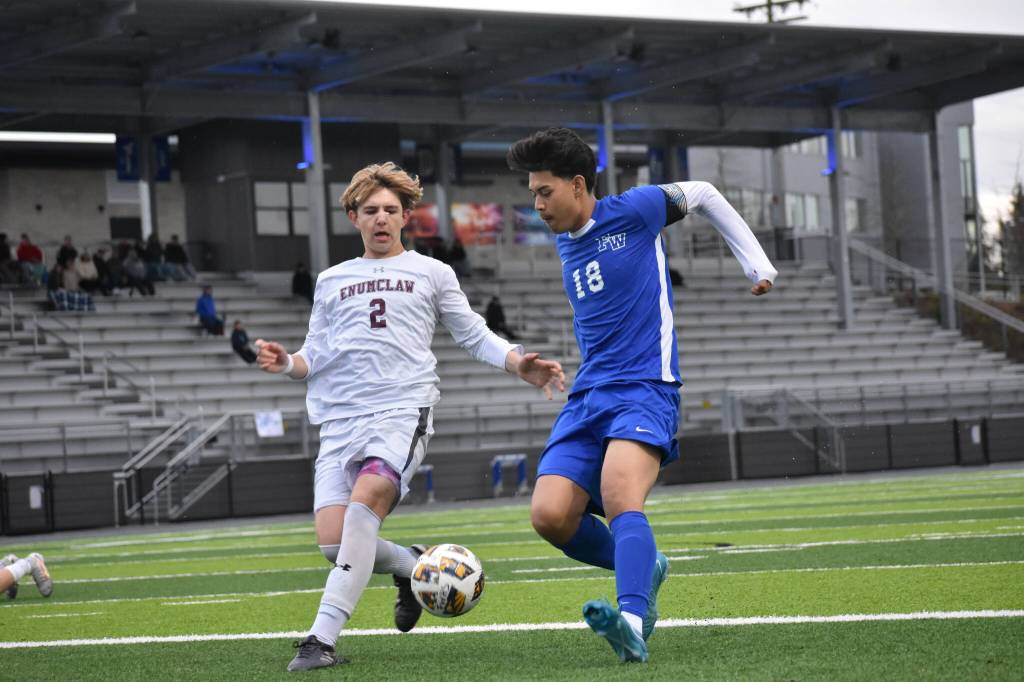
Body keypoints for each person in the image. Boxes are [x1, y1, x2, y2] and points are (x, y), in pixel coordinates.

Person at [254, 161, 565, 672]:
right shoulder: (331, 281)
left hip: (402, 411)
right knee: (335, 545)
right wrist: (286, 362)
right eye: (371, 210)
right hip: (339, 420)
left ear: (406, 217)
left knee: (363, 510)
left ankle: (320, 639)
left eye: (391, 211)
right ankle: (412, 565)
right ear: (353, 216)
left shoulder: (431, 272)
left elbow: (471, 332)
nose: (381, 219)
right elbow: (314, 355)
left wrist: (516, 361)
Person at [507, 127, 777, 664]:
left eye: (544, 192)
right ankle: (644, 565)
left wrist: (756, 263)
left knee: (619, 494)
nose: (536, 205)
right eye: (532, 193)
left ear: (578, 184)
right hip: (588, 395)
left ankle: (631, 620)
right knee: (550, 516)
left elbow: (701, 192)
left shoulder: (633, 210)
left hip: (645, 388)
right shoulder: (565, 239)